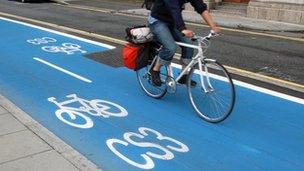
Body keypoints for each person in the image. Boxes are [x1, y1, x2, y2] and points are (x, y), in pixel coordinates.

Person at [148, 0, 220, 86]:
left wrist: (213, 26)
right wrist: (182, 29)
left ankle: (183, 75)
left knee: (189, 45)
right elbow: (174, 8)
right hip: (157, 20)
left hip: (172, 22)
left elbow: (201, 7)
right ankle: (155, 70)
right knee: (170, 47)